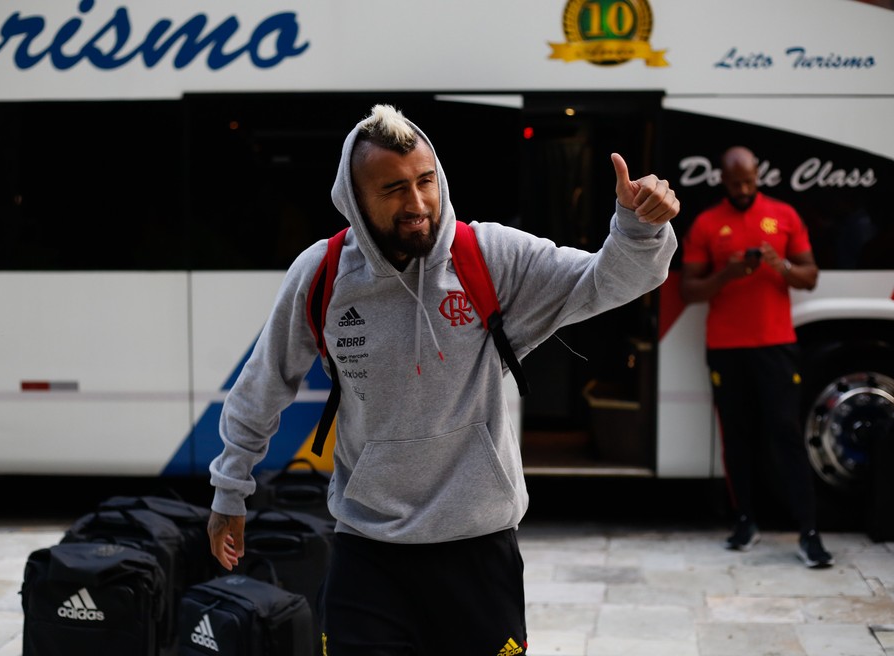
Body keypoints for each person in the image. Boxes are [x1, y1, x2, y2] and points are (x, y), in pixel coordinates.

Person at [207, 104, 680, 654]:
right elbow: (263, 385)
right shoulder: (324, 275)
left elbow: (605, 280)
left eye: (425, 181)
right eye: (393, 189)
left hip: (478, 549)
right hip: (368, 549)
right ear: (354, 200)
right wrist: (230, 491)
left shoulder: (489, 256)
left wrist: (639, 227)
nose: (416, 203)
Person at [679, 145, 834, 568]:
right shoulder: (707, 223)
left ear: (758, 175)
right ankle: (745, 520)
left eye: (749, 181)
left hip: (775, 344)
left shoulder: (783, 215)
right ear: (723, 181)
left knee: (786, 433)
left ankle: (809, 531)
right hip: (726, 348)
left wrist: (779, 266)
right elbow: (689, 290)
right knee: (736, 435)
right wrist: (728, 274)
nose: (743, 189)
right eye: (735, 183)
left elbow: (810, 276)